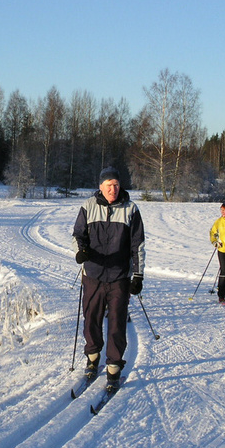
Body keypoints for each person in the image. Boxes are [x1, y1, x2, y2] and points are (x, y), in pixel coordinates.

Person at [72, 166, 146, 391]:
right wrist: (80, 252)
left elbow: (138, 245)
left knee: (116, 322)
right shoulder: (88, 206)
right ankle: (93, 358)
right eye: (108, 185)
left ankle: (114, 367)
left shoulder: (131, 209)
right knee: (91, 319)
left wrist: (138, 275)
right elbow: (78, 235)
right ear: (100, 187)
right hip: (93, 275)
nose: (113, 189)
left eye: (116, 185)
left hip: (119, 277)